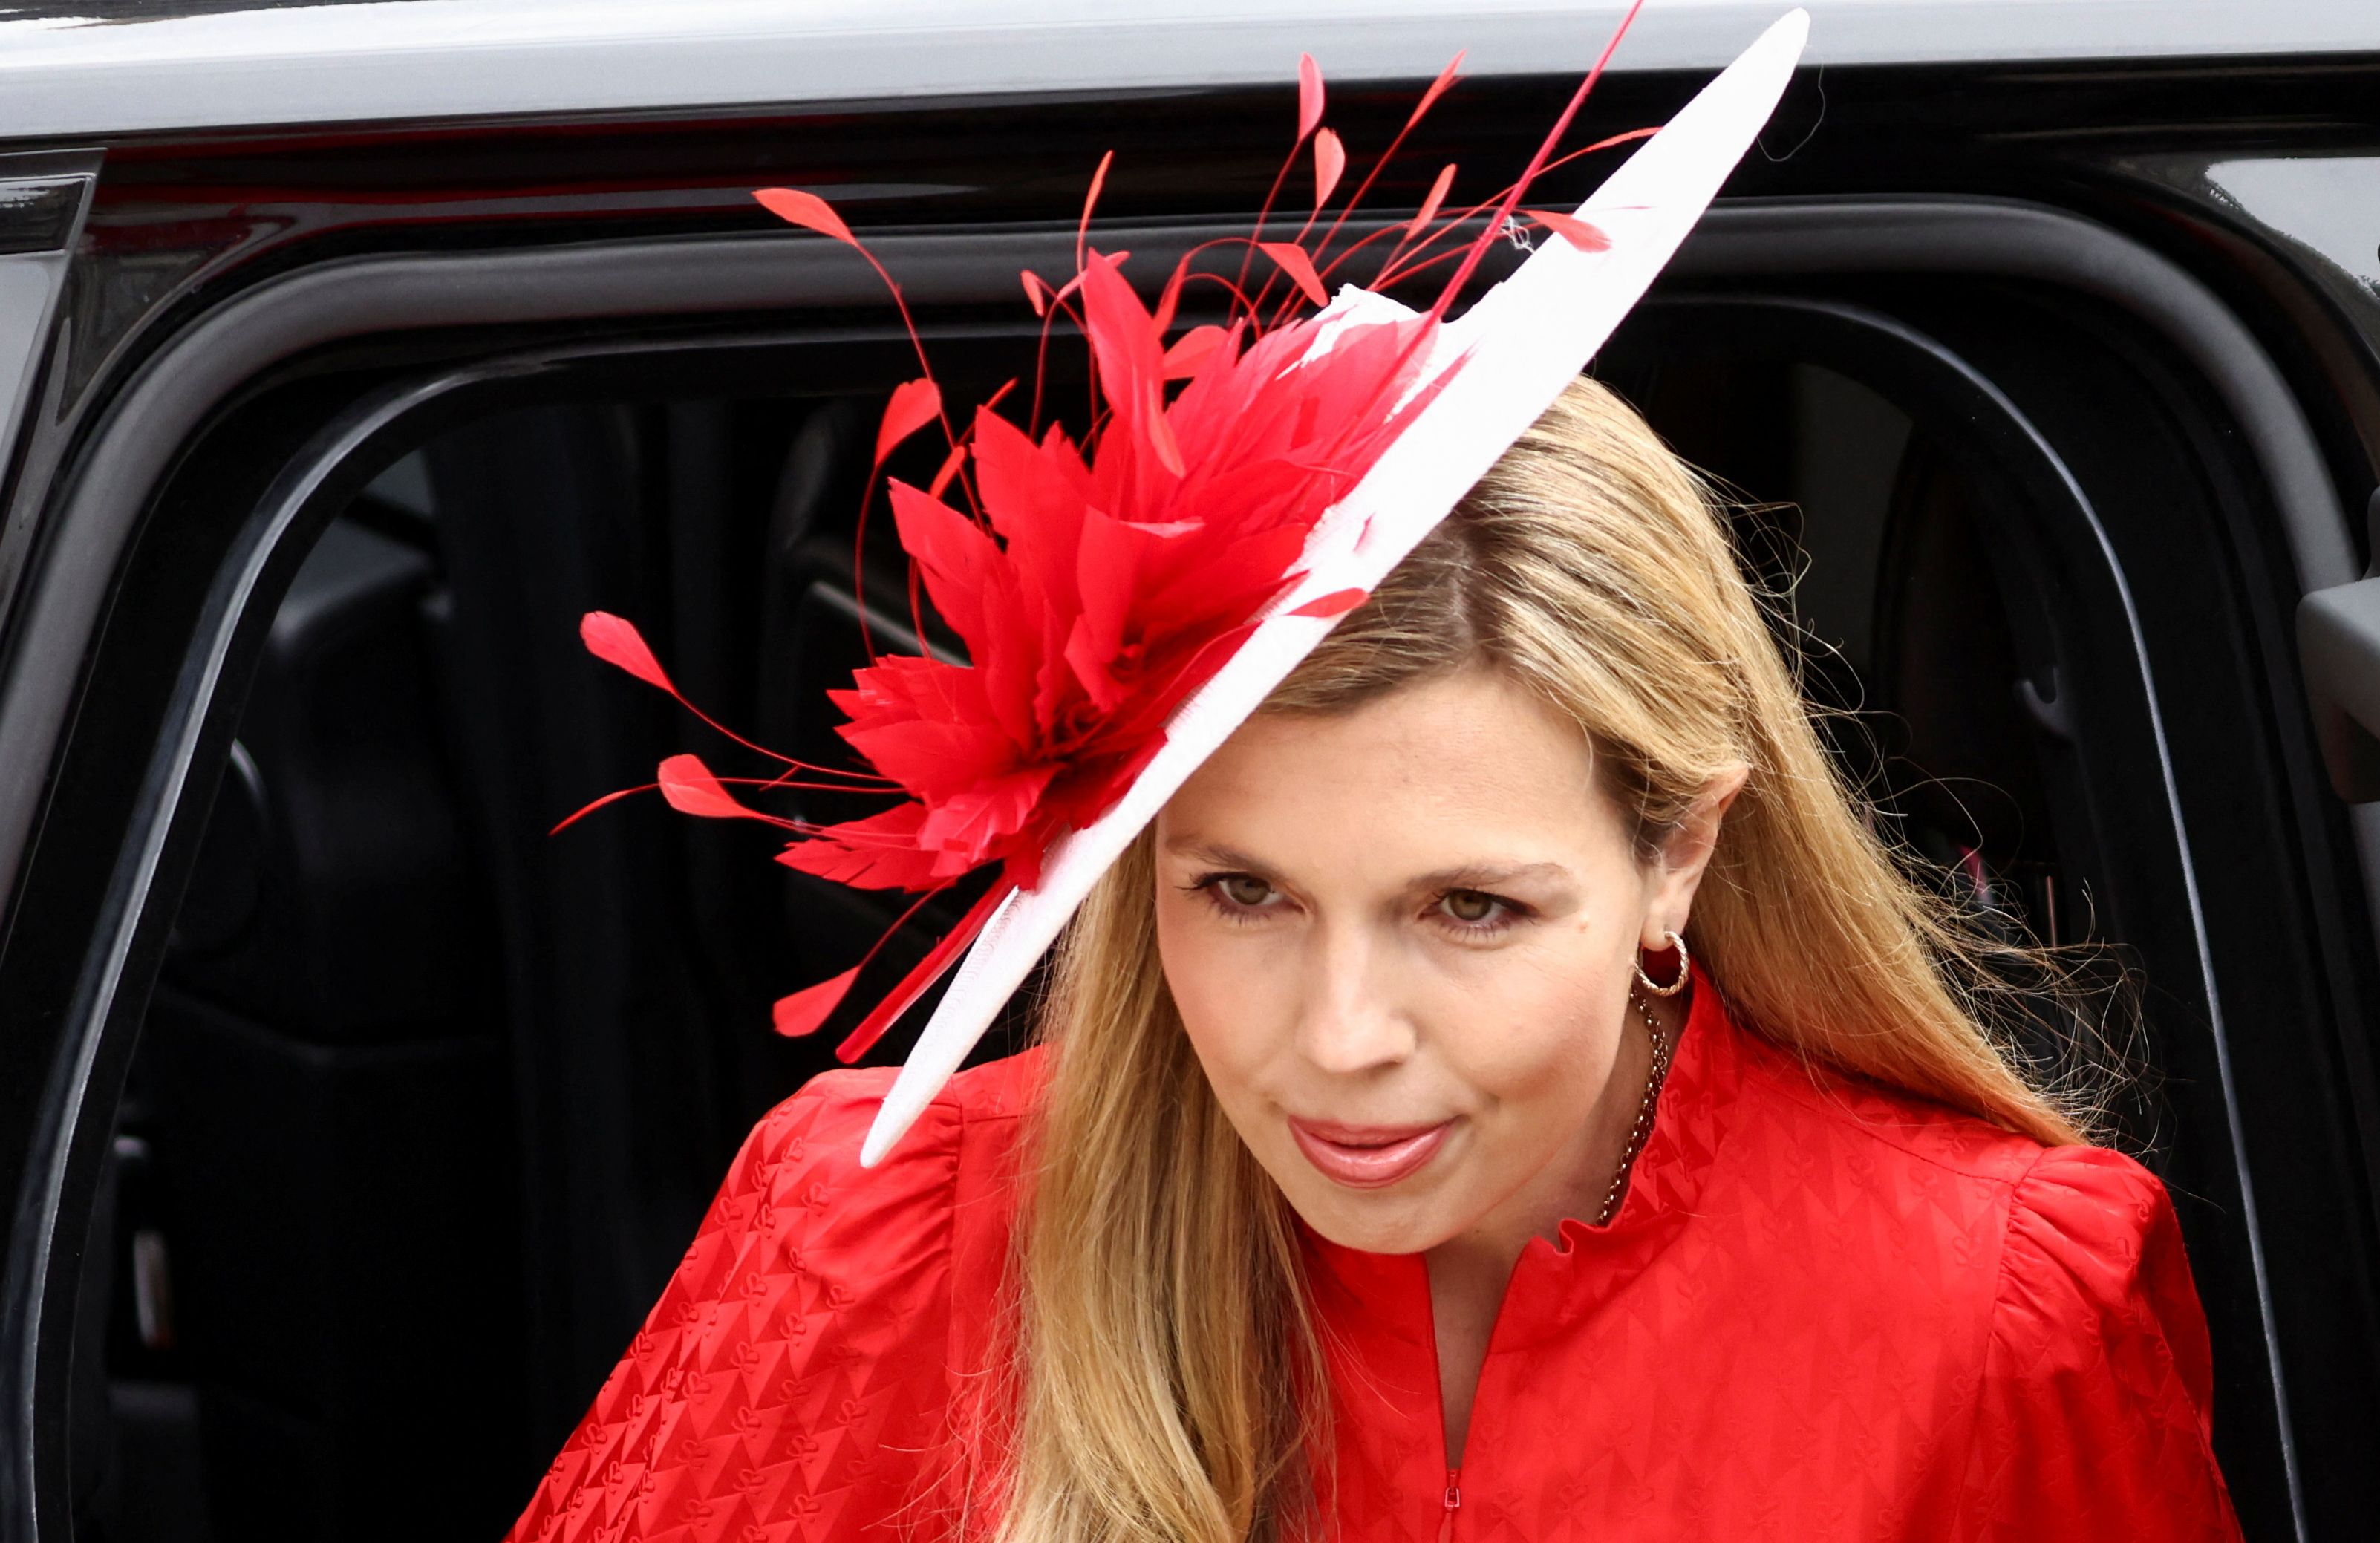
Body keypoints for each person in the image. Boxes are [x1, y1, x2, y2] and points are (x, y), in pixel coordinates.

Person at [509, 13, 2239, 1539]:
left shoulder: (1986, 1308)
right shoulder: (876, 1244)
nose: (1339, 1037)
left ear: (1675, 853)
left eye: (1467, 907)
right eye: (1241, 888)